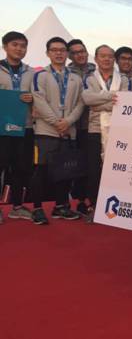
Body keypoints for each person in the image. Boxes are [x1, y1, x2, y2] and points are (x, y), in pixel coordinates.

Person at [30, 37, 84, 225]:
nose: (59, 53)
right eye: (54, 50)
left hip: (69, 131)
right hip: (46, 132)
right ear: (48, 53)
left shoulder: (76, 78)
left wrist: (68, 121)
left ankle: (61, 206)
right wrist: (56, 123)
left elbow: (81, 103)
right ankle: (37, 208)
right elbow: (39, 101)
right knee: (41, 171)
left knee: (65, 171)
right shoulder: (40, 76)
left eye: (62, 50)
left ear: (67, 53)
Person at [82, 45, 131, 218]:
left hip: (118, 128)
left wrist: (99, 102)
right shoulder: (90, 78)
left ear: (114, 59)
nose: (106, 59)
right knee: (94, 168)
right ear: (96, 59)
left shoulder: (123, 79)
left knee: (116, 168)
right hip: (95, 128)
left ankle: (115, 207)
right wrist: (112, 96)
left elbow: (125, 101)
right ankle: (94, 204)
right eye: (102, 56)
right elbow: (88, 99)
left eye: (110, 56)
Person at [0, 31, 34, 223]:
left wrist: (32, 98)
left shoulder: (31, 72)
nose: (19, 49)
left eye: (23, 46)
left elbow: (39, 96)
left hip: (24, 127)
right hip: (1, 128)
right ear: (5, 47)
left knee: (21, 168)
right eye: (15, 45)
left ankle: (17, 207)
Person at [67, 39, 96, 216]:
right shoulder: (66, 73)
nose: (80, 55)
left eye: (82, 51)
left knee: (91, 165)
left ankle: (92, 200)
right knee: (75, 166)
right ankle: (77, 200)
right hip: (72, 127)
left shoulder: (97, 71)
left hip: (92, 126)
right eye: (76, 52)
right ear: (70, 56)